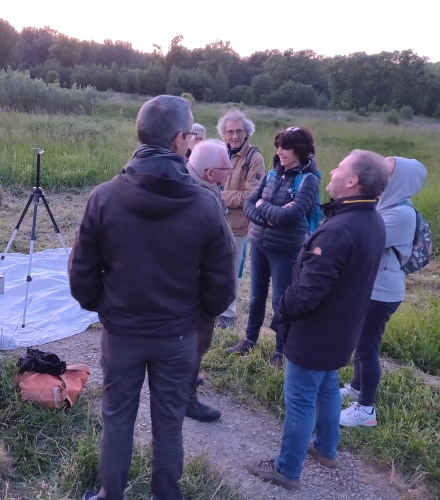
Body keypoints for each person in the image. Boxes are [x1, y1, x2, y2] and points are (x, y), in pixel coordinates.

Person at [69, 95, 235, 500]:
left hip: (123, 332)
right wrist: (195, 316)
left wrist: (106, 308)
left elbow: (81, 275)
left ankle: (112, 495)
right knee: (168, 424)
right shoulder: (204, 204)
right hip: (178, 336)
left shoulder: (104, 197)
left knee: (118, 418)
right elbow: (222, 285)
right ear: (180, 140)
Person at [246, 150, 389, 491]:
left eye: (341, 167)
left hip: (316, 332)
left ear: (353, 181)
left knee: (300, 398)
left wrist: (282, 311)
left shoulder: (339, 230)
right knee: (327, 387)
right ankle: (326, 449)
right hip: (343, 329)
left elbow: (308, 292)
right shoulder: (371, 219)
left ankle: (286, 468)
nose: (334, 169)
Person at [339, 156, 427, 427]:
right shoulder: (386, 205)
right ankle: (356, 387)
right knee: (360, 340)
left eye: (387, 173)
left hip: (382, 291)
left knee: (367, 347)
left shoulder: (400, 214)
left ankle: (366, 410)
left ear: (400, 181)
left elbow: (364, 238)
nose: (379, 177)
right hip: (372, 286)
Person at [225, 127, 320, 366]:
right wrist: (268, 215)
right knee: (256, 297)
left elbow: (294, 214)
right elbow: (248, 205)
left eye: (285, 147)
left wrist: (262, 207)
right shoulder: (271, 174)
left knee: (280, 301)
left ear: (300, 150)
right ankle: (249, 341)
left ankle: (281, 351)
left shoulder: (308, 180)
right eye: (278, 146)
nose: (280, 152)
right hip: (259, 242)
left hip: (286, 249)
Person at [185, 138, 234, 422]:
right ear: (210, 173)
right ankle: (186, 397)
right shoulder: (196, 194)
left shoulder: (205, 186)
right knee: (196, 341)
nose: (230, 173)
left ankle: (187, 381)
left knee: (196, 343)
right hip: (197, 285)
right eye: (226, 169)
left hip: (199, 282)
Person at [215, 110, 266, 329]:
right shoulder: (217, 152)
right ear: (223, 134)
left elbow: (252, 195)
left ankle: (228, 312)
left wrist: (219, 197)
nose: (234, 136)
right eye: (230, 132)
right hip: (213, 219)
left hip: (237, 224)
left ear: (247, 133)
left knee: (232, 268)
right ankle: (211, 307)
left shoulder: (254, 158)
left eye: (238, 131)